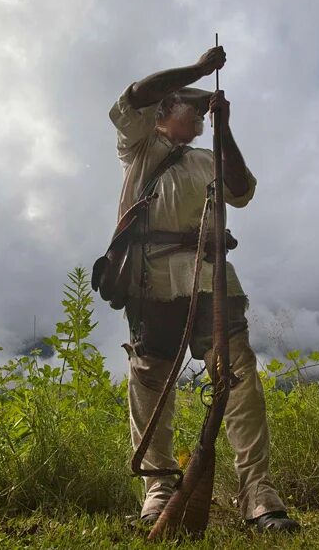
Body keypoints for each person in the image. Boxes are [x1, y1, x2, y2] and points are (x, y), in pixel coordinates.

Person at [107, 45, 299, 533]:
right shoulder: (140, 145)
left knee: (237, 375)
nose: (197, 110)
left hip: (213, 279)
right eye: (189, 104)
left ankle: (257, 493)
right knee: (150, 380)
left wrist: (223, 128)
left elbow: (241, 190)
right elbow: (137, 93)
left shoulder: (205, 157)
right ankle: (159, 489)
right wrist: (198, 70)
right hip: (150, 280)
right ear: (165, 112)